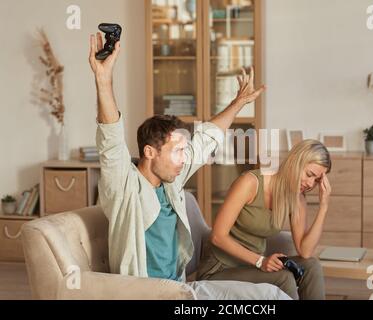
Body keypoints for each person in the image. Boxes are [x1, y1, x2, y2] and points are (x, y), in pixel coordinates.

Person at [88, 32, 291, 300]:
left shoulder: (171, 181)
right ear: (150, 152)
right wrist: (103, 80)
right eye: (178, 151)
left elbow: (206, 139)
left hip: (182, 290)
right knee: (268, 299)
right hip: (150, 295)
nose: (185, 158)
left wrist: (238, 103)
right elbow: (111, 142)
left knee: (271, 295)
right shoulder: (125, 189)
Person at [196, 140, 332, 300]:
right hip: (219, 269)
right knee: (284, 278)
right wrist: (260, 261)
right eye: (309, 175)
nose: (310, 184)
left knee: (312, 266)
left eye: (316, 180)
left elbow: (305, 250)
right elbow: (217, 236)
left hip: (251, 267)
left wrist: (324, 205)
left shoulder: (297, 199)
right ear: (295, 162)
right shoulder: (249, 183)